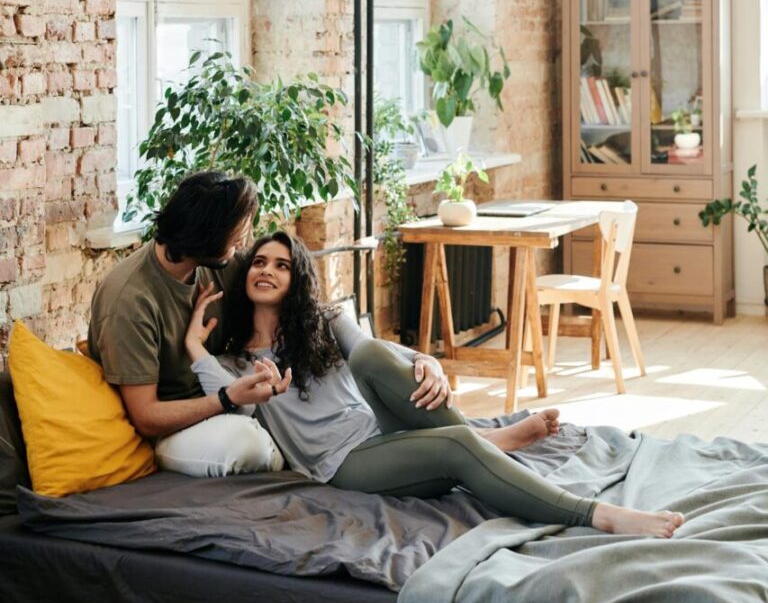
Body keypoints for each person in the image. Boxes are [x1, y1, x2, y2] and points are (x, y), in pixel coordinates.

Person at [162, 230, 685, 538]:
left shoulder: (321, 322)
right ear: (245, 277)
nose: (267, 270)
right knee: (456, 443)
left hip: (381, 430)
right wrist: (193, 346)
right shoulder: (236, 365)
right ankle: (600, 515)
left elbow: (381, 353)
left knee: (366, 353)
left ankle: (485, 444)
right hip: (345, 464)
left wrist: (429, 362)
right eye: (258, 262)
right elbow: (223, 399)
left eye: (282, 264)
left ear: (297, 279)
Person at [87, 171, 288, 472]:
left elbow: (286, 303)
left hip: (222, 396)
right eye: (235, 235)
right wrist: (227, 397)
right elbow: (146, 417)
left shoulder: (220, 265)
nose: (242, 240)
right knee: (250, 445)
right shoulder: (129, 301)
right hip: (170, 431)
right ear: (207, 236)